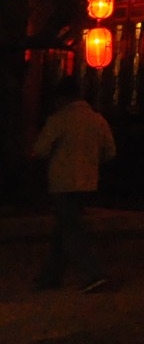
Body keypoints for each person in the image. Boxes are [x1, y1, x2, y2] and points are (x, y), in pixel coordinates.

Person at [32, 76, 117, 293]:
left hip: (62, 182)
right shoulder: (97, 120)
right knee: (66, 227)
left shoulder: (59, 120)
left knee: (70, 230)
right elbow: (110, 152)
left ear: (61, 98)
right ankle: (50, 276)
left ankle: (92, 275)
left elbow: (40, 149)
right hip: (88, 181)